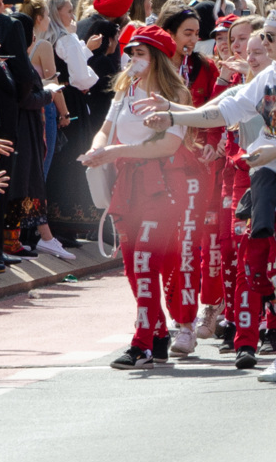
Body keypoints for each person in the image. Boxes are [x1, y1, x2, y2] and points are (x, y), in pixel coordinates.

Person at [144, 4, 276, 382]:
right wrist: (175, 114)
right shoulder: (270, 77)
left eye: (271, 37)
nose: (264, 43)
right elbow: (228, 110)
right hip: (267, 184)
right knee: (260, 272)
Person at [81, 24, 193, 370]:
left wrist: (116, 151)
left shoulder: (177, 96)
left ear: (157, 58)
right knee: (132, 265)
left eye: (140, 53)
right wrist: (98, 150)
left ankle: (141, 343)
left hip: (163, 185)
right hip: (126, 183)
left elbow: (168, 144)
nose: (132, 59)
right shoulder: (125, 89)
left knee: (145, 261)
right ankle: (158, 334)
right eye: (130, 53)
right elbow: (105, 129)